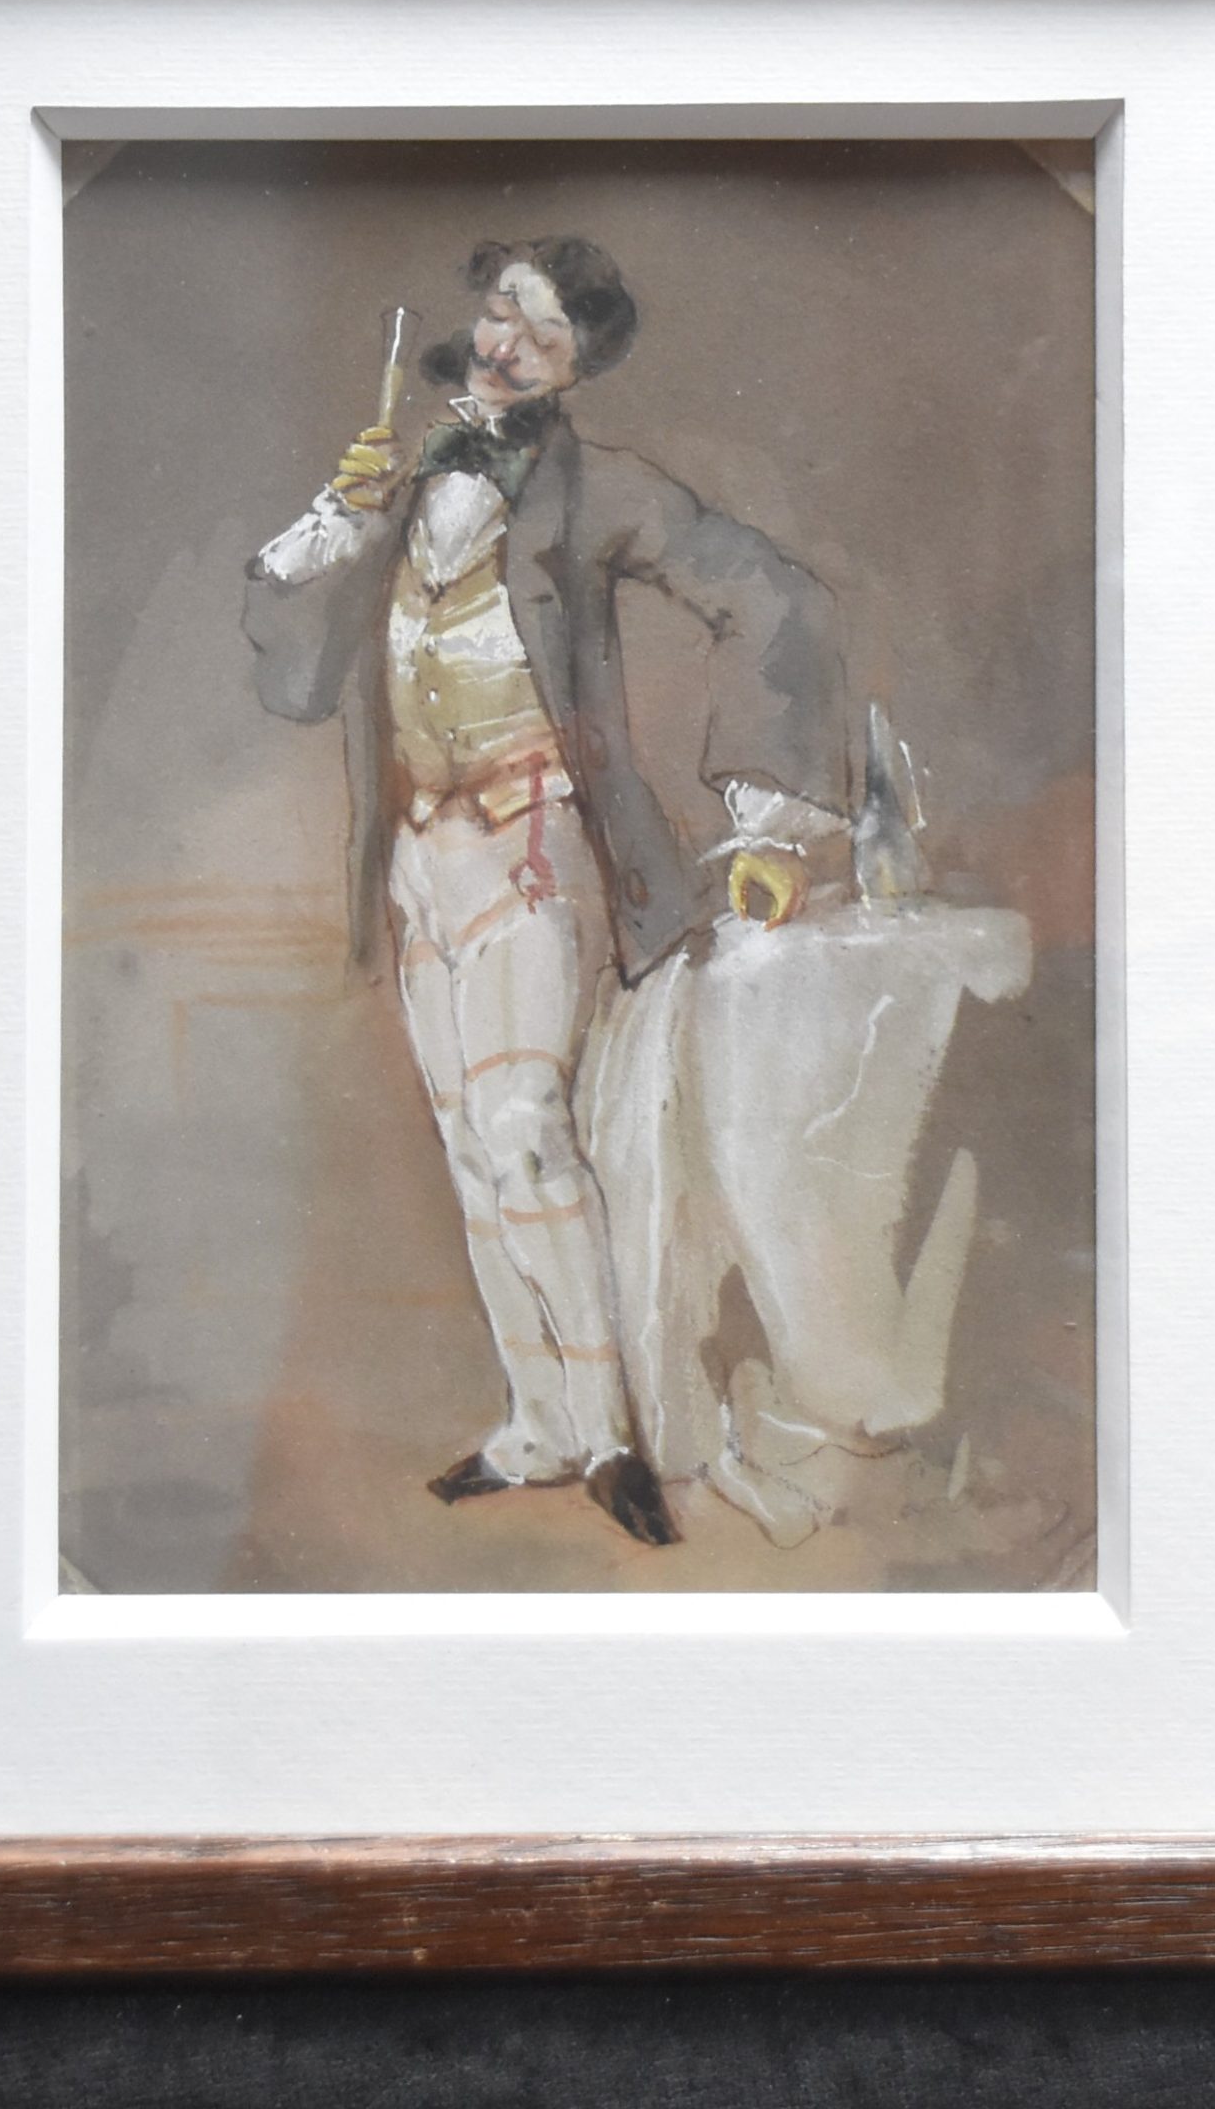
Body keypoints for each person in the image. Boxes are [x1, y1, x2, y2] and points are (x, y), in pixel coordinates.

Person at [243, 237, 846, 1547]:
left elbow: (769, 594)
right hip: (419, 860)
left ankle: (615, 1433)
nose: (507, 344)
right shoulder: (401, 479)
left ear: (574, 370)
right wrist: (330, 533)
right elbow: (294, 681)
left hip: (536, 848)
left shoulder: (599, 489)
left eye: (544, 335)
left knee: (525, 1126)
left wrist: (770, 813)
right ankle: (541, 1425)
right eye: (502, 312)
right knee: (473, 1148)